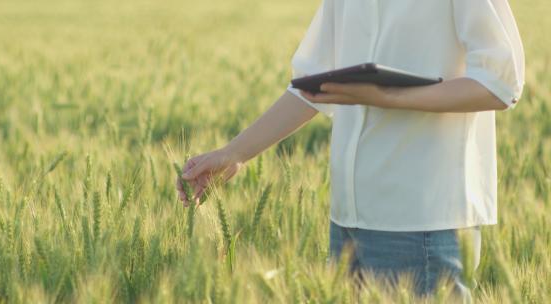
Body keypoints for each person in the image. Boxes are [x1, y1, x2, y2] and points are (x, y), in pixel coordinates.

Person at [176, 0, 525, 302]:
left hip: (423, 224)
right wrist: (234, 153)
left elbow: (499, 84)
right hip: (348, 220)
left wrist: (389, 98)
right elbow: (310, 85)